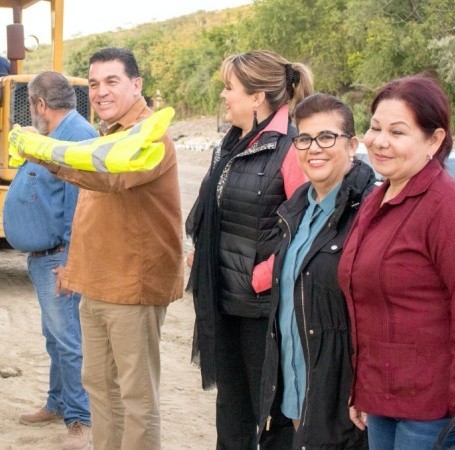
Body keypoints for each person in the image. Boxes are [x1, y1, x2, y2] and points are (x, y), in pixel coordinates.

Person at [26, 47, 184, 449]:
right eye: (94, 84)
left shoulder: (150, 136)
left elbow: (110, 180)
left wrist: (45, 154)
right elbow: (92, 213)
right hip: (98, 284)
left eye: (112, 81)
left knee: (135, 396)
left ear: (137, 85)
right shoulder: (107, 135)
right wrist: (74, 268)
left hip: (133, 284)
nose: (100, 92)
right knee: (99, 387)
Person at [186, 50, 312, 449]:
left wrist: (262, 277)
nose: (224, 96)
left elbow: (308, 228)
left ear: (257, 97)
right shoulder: (231, 144)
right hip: (226, 301)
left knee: (271, 420)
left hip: (265, 310)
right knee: (232, 413)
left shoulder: (293, 148)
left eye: (230, 88)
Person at [338, 74, 455, 450]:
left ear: (435, 140)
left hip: (433, 409)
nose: (379, 141)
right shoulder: (379, 199)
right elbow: (368, 305)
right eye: (375, 127)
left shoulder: (448, 206)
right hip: (383, 399)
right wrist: (360, 388)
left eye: (397, 132)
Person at [258, 93, 375, 449]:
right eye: (304, 139)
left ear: (352, 144)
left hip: (341, 404)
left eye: (327, 137)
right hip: (291, 398)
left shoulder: (370, 213)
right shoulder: (295, 211)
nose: (314, 148)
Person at [3, 71, 97, 450]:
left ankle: (80, 419)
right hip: (46, 257)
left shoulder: (77, 136)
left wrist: (71, 262)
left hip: (58, 256)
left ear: (40, 105)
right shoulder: (57, 135)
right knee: (56, 338)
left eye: (34, 106)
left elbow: (82, 207)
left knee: (69, 340)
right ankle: (57, 404)